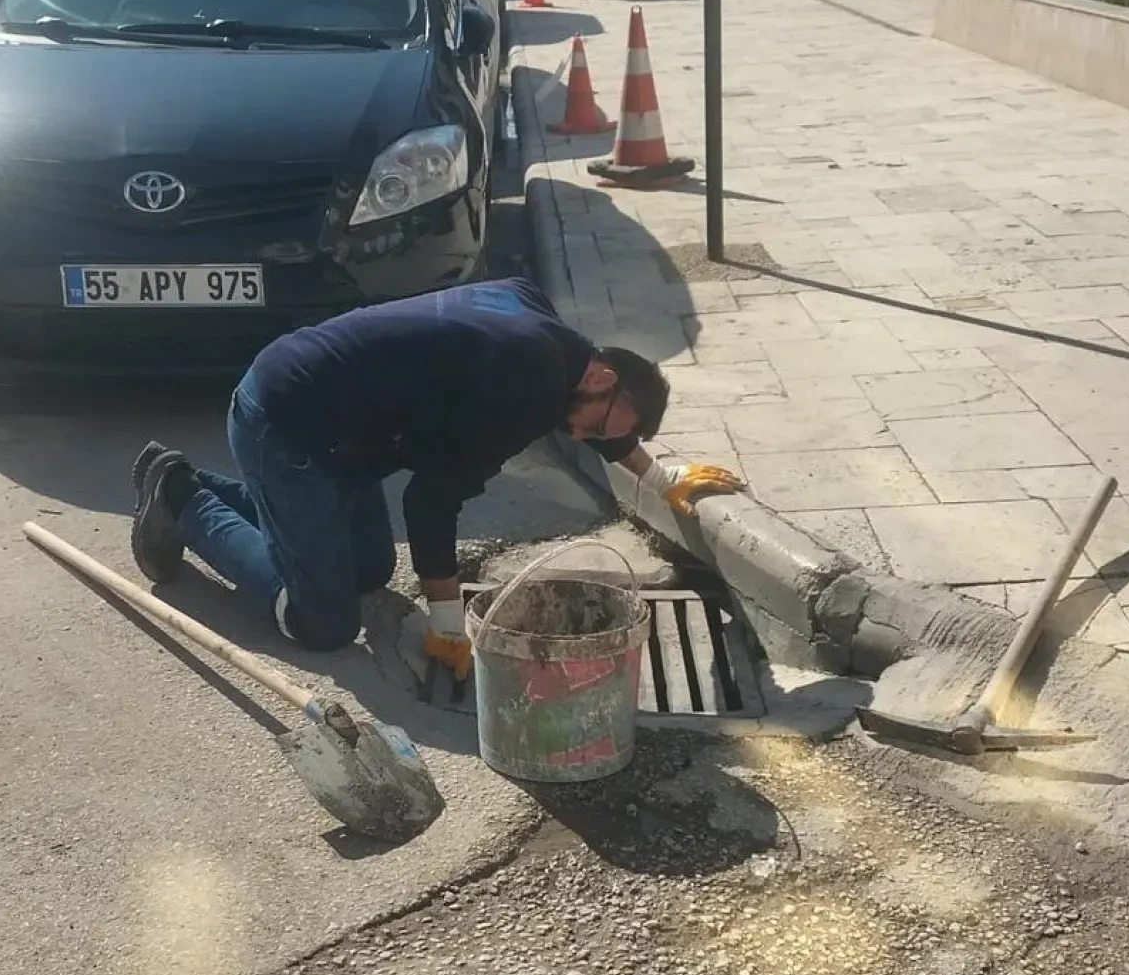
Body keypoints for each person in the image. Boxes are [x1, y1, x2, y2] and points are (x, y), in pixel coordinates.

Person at [130, 279, 743, 677]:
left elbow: (596, 420)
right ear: (604, 379)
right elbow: (430, 503)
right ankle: (182, 498)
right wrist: (450, 624)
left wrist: (660, 477)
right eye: (600, 428)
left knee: (368, 572)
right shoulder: (519, 393)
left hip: (344, 434)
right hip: (287, 425)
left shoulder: (553, 336)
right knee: (323, 623)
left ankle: (213, 490)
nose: (584, 440)